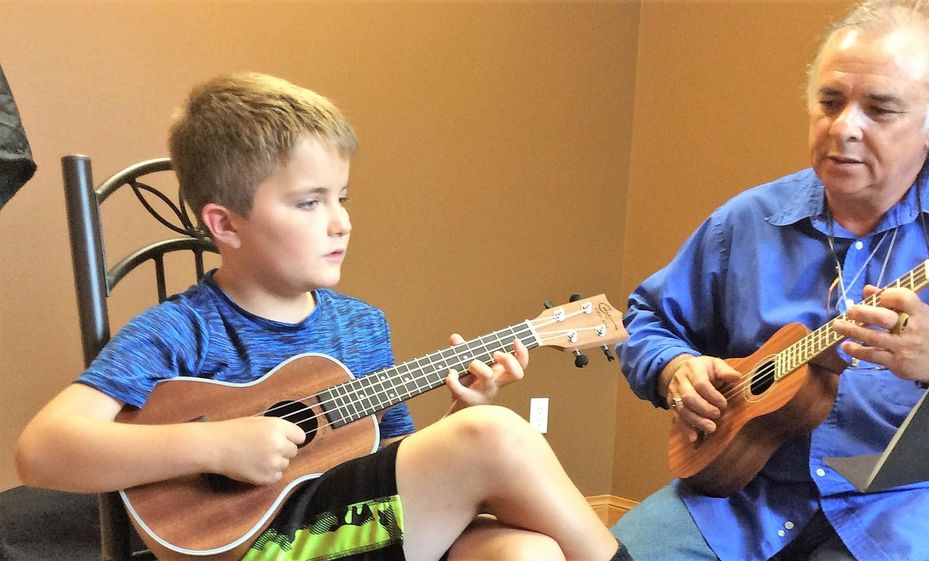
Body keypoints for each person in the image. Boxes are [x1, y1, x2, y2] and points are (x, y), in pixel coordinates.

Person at [15, 72, 631, 561]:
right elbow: (42, 451)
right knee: (494, 435)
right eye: (310, 202)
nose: (341, 222)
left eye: (342, 198)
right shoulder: (181, 330)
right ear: (224, 224)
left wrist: (459, 413)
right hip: (260, 547)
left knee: (526, 551)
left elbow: (391, 457)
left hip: (357, 529)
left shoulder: (361, 325)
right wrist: (215, 444)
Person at [612, 1, 929, 560]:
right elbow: (647, 319)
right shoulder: (747, 222)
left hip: (918, 504)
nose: (844, 127)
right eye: (830, 102)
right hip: (747, 490)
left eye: (879, 109)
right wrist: (674, 370)